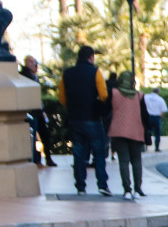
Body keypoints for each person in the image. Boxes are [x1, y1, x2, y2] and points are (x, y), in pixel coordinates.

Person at [57, 45, 110, 195]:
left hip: (74, 119)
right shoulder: (95, 72)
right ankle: (102, 184)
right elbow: (104, 95)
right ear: (91, 57)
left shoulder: (67, 74)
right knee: (99, 152)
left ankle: (80, 186)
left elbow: (61, 97)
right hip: (92, 118)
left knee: (78, 154)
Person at [107, 71, 150, 199]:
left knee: (123, 161)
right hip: (136, 132)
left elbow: (105, 110)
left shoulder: (113, 93)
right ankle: (138, 189)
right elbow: (145, 116)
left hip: (118, 132)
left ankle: (127, 190)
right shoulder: (139, 96)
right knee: (136, 161)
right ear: (132, 82)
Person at [21, 54, 57, 166]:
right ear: (27, 63)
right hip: (31, 111)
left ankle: (46, 158)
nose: (35, 65)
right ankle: (35, 160)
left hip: (38, 110)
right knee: (33, 135)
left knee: (44, 134)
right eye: (32, 63)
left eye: (35, 63)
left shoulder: (34, 76)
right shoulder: (25, 76)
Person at [142, 85, 167, 151]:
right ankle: (157, 147)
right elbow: (164, 110)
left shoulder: (146, 97)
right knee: (157, 133)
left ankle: (144, 147)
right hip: (156, 117)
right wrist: (160, 117)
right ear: (158, 92)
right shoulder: (160, 99)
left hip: (147, 117)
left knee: (146, 131)